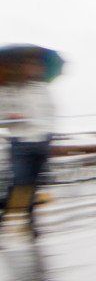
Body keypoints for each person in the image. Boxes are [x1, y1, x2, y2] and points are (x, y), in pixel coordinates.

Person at [0, 51, 55, 235]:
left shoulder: (41, 88)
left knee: (32, 185)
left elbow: (50, 111)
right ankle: (5, 218)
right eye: (29, 64)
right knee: (20, 183)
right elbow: (1, 115)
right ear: (20, 67)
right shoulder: (8, 89)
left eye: (36, 65)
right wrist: (10, 117)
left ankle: (30, 223)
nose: (34, 68)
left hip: (41, 141)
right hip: (21, 141)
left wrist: (48, 133)